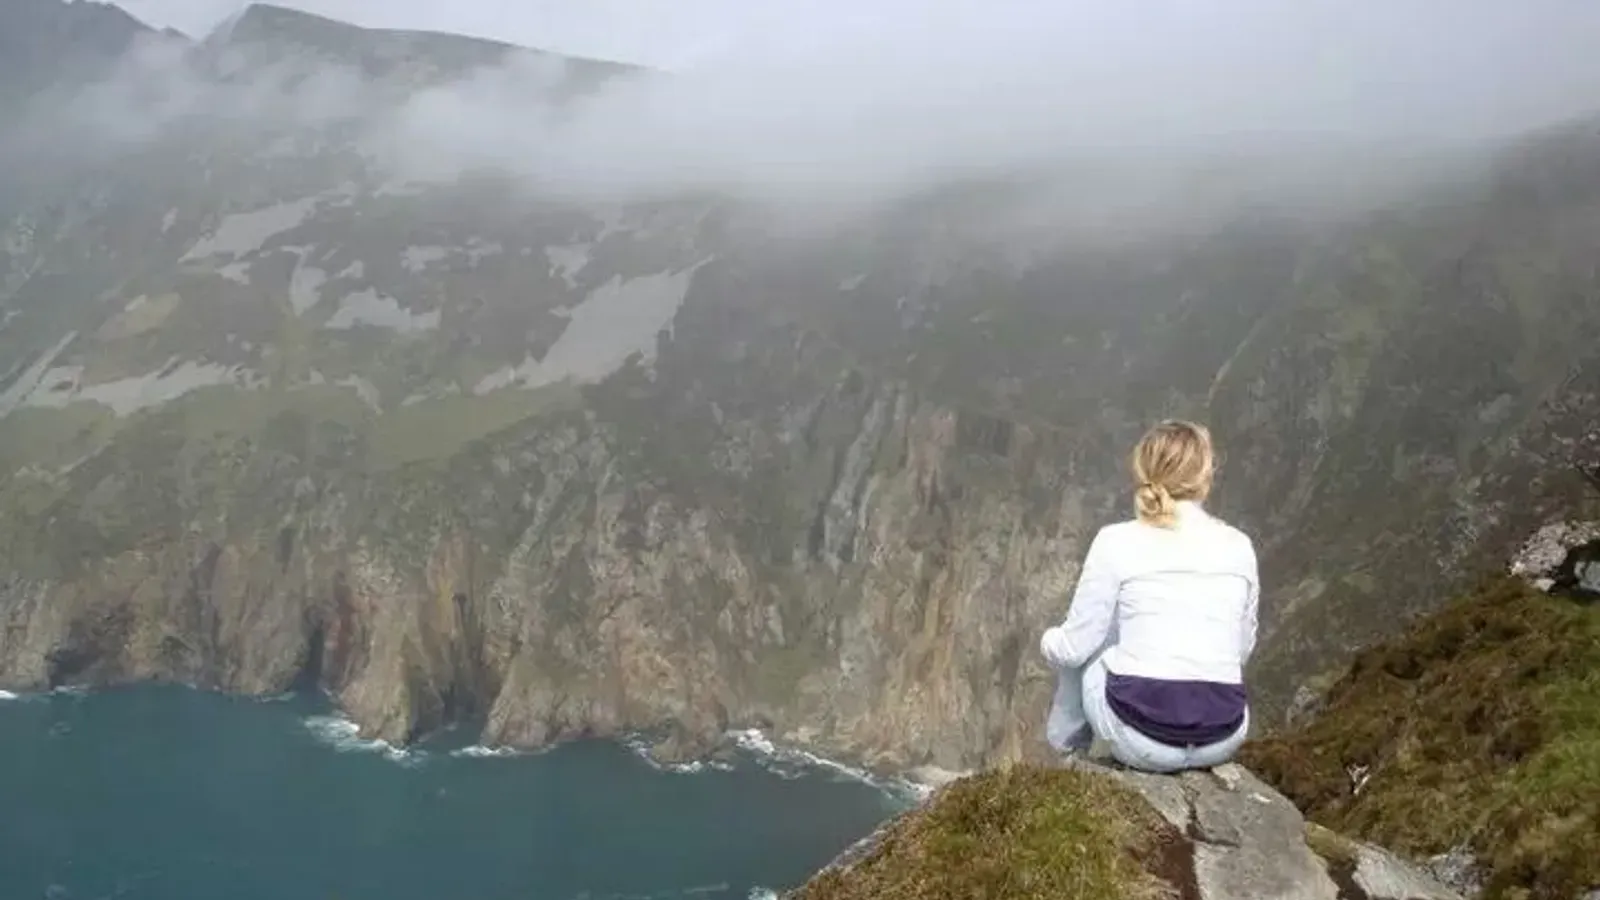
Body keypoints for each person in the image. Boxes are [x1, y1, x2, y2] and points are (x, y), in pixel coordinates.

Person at [1039, 420, 1259, 773]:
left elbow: (1074, 648)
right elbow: (1241, 650)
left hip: (1142, 740)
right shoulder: (1240, 546)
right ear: (1205, 474)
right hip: (1224, 734)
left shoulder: (1116, 540)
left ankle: (1067, 757)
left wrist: (1048, 640)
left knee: (1093, 643)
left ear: (1143, 471)